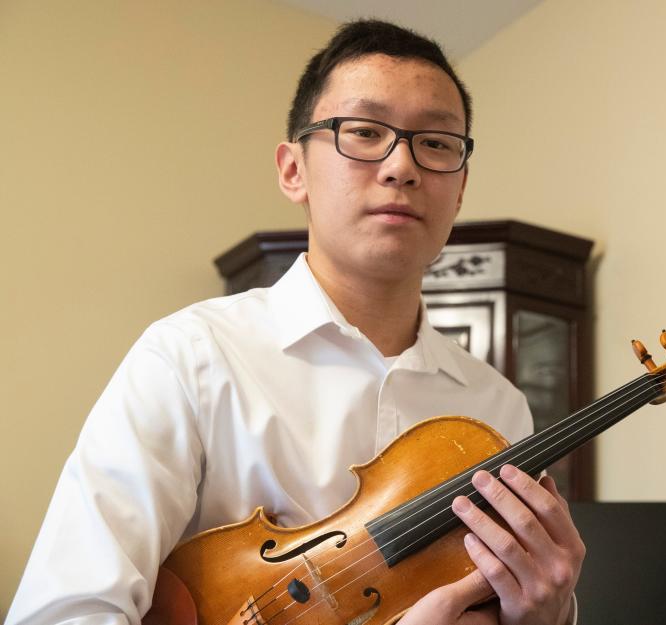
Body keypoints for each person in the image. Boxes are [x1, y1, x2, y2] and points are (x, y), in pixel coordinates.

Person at [9, 19, 584, 625]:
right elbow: (61, 612)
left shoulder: (497, 409)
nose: (402, 167)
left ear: (460, 189)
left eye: (437, 144)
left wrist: (546, 613)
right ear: (293, 171)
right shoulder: (189, 357)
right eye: (364, 132)